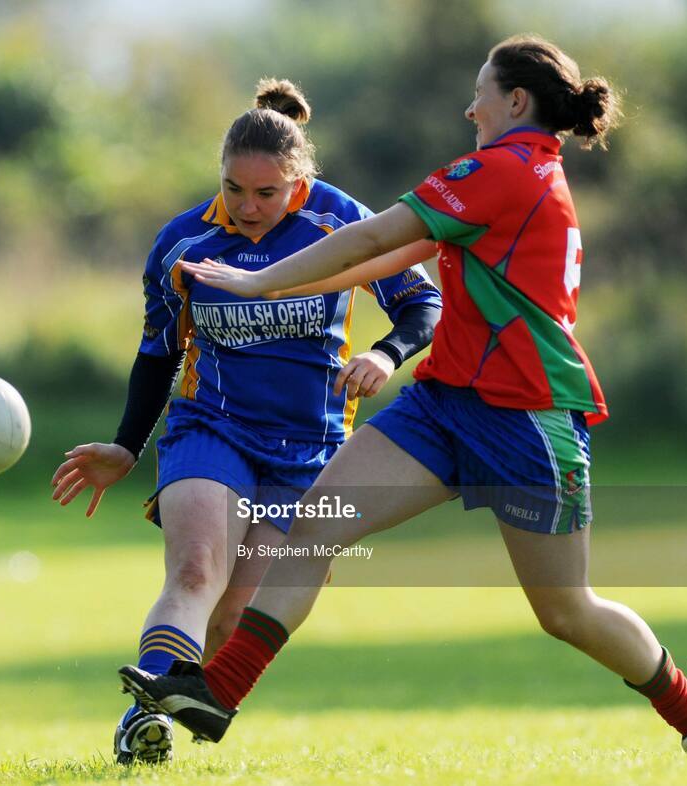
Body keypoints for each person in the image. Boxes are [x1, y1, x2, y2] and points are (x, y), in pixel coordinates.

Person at [117, 37, 687, 756]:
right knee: (314, 528)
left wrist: (263, 281)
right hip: (443, 402)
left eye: (481, 90)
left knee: (566, 610)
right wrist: (264, 282)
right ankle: (214, 693)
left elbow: (375, 235)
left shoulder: (506, 170)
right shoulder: (503, 174)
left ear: (516, 101)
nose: (469, 105)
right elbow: (389, 256)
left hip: (527, 416)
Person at [50, 78, 442, 764]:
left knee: (236, 614)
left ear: (301, 183)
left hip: (312, 450)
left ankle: (167, 709)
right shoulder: (184, 242)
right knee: (197, 572)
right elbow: (156, 354)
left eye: (267, 194)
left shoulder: (340, 221)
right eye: (235, 188)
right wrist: (124, 445)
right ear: (220, 176)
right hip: (212, 428)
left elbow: (422, 304)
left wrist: (385, 353)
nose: (249, 207)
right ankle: (150, 724)